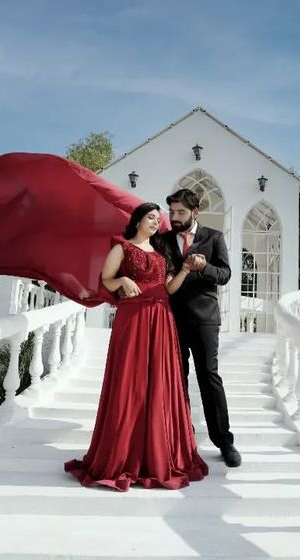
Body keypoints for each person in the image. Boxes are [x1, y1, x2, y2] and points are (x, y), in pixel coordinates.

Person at [64, 202, 208, 491]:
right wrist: (123, 279)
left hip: (162, 320)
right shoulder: (121, 247)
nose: (156, 222)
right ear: (139, 219)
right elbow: (105, 280)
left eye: (159, 219)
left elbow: (167, 288)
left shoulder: (161, 252)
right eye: (151, 217)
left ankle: (155, 455)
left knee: (159, 385)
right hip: (133, 319)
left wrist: (186, 271)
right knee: (130, 383)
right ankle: (122, 456)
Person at [161, 189, 242, 468]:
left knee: (209, 376)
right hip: (170, 318)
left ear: (195, 213)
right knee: (176, 378)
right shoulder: (163, 240)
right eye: (172, 212)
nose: (174, 217)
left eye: (181, 212)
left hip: (205, 319)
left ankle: (224, 441)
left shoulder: (214, 237)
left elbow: (225, 275)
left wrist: (205, 266)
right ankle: (183, 439)